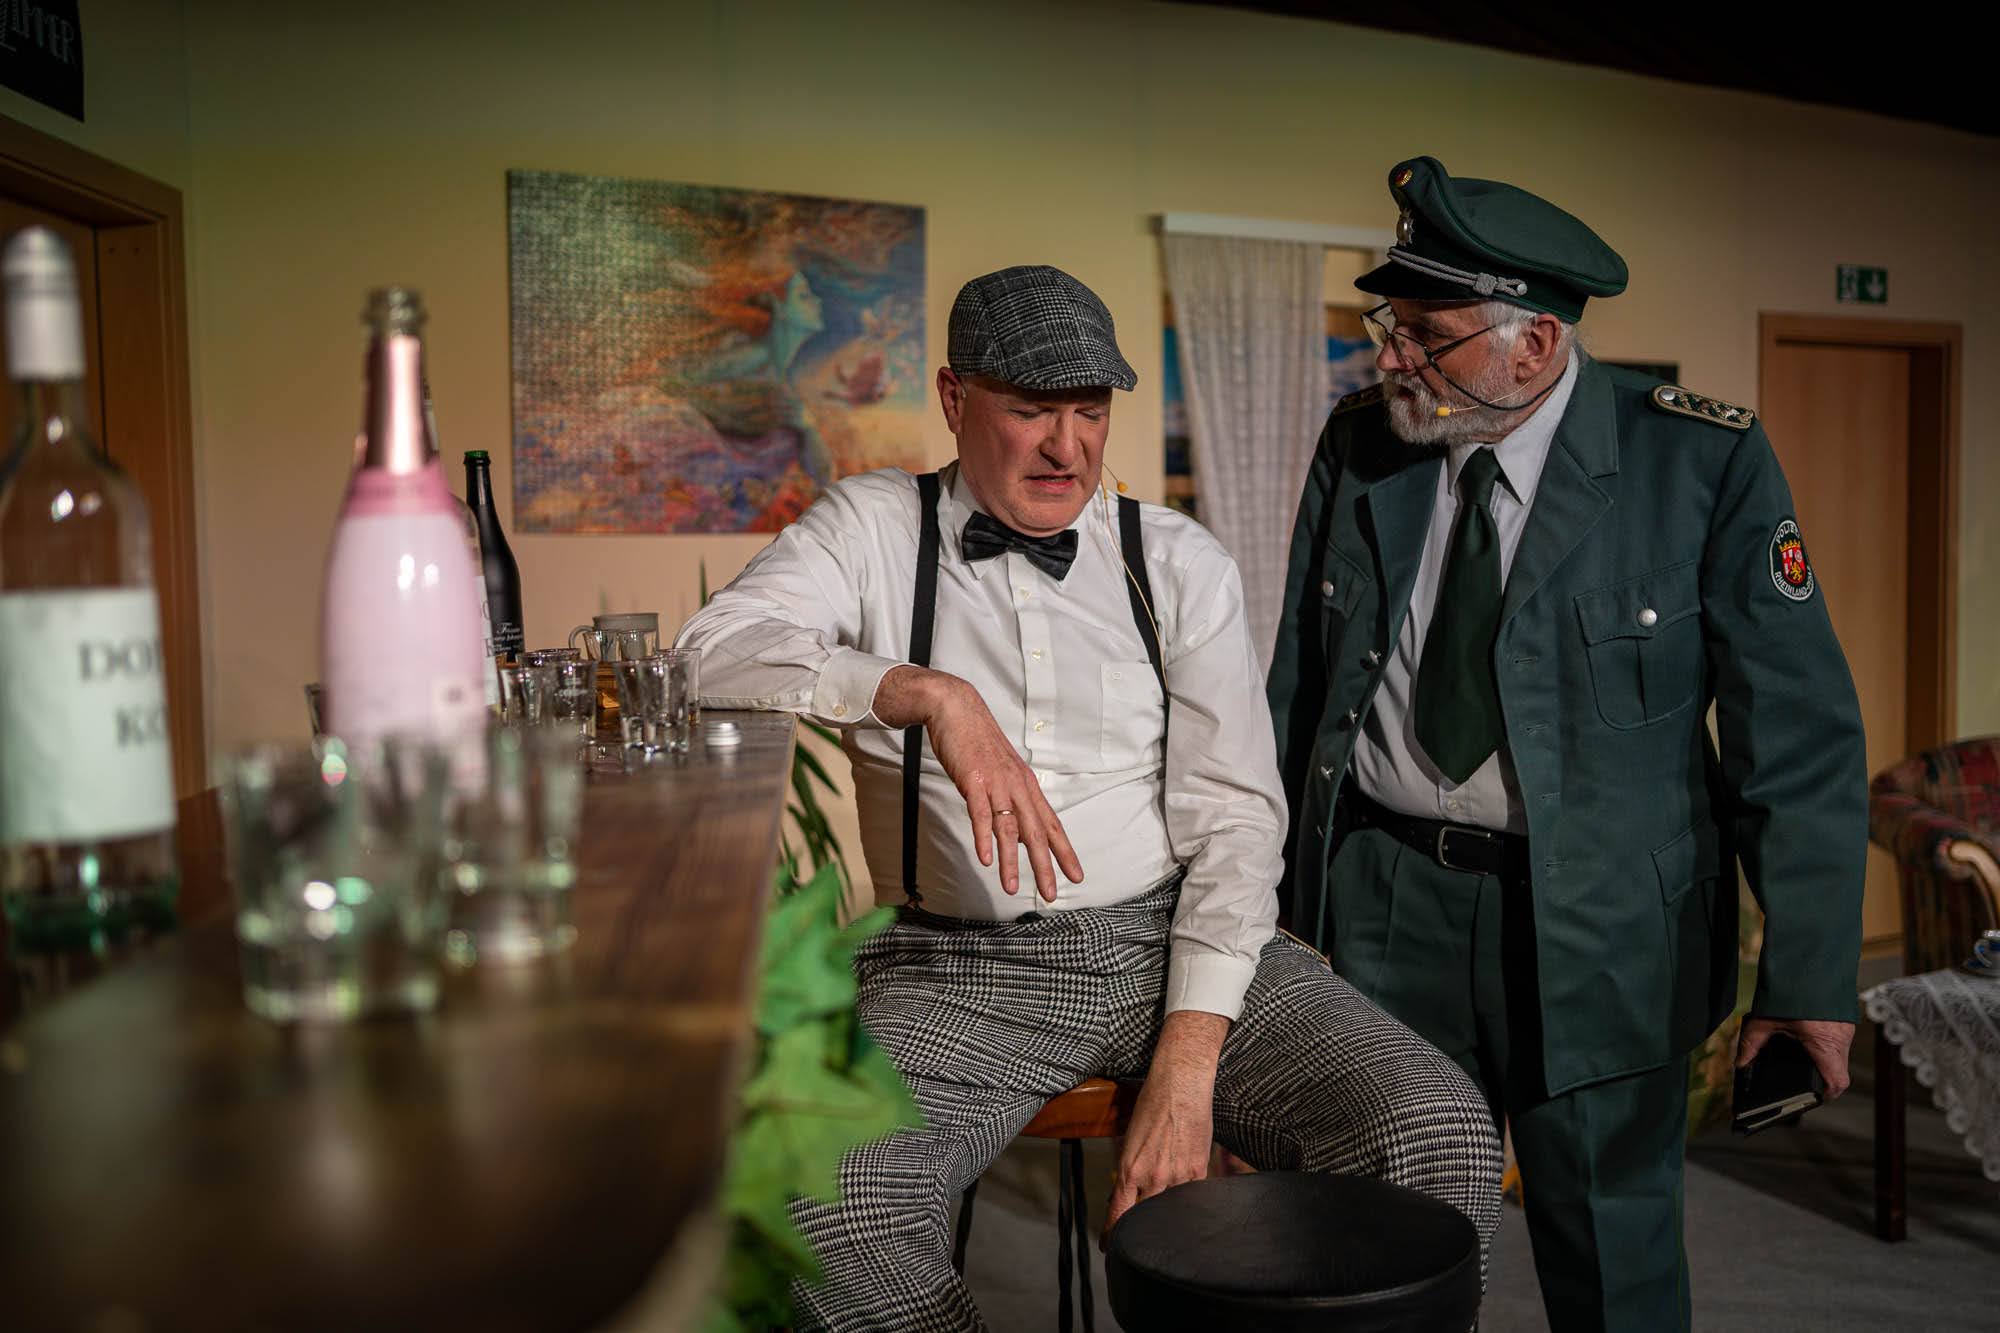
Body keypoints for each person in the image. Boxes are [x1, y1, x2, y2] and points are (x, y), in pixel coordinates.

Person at [679, 263, 1501, 1331]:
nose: (1066, 447)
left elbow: (1236, 819)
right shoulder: (872, 526)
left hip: (1180, 937)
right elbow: (708, 650)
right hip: (957, 967)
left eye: (1089, 411)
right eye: (1031, 410)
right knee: (814, 1195)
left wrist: (1186, 1068)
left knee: (1436, 1127)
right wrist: (924, 692)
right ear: (954, 398)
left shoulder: (1176, 559)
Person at [1266, 157, 1867, 1332]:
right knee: (1377, 1243)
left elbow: (1794, 737)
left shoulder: (1697, 462)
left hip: (1599, 926)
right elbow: (1299, 682)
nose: (1390, 357)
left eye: (1423, 334)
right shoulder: (1363, 444)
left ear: (1533, 342)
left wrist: (1806, 978)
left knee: (1610, 1251)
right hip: (1384, 904)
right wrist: (1277, 920)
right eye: (1389, 326)